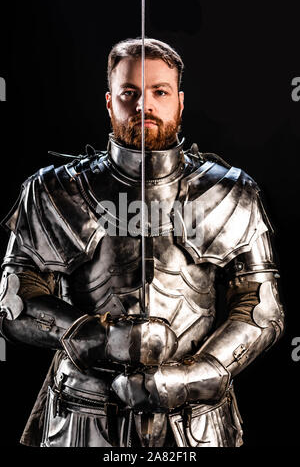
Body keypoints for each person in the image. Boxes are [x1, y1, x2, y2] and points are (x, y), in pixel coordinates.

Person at [0, 38, 285, 447]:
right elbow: (14, 303)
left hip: (196, 422)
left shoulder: (232, 191)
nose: (143, 105)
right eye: (129, 92)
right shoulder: (51, 190)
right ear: (109, 101)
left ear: (180, 103)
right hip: (83, 417)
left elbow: (261, 308)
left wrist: (194, 376)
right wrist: (90, 334)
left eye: (159, 92)